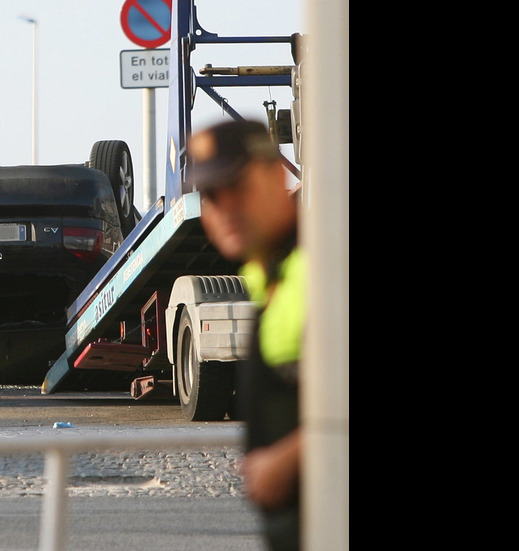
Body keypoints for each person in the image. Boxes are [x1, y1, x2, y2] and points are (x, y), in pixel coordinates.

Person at [188, 119, 305, 551]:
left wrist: (288, 459)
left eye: (238, 185)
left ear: (277, 176)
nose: (226, 207)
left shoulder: (323, 270)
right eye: (212, 195)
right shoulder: (271, 276)